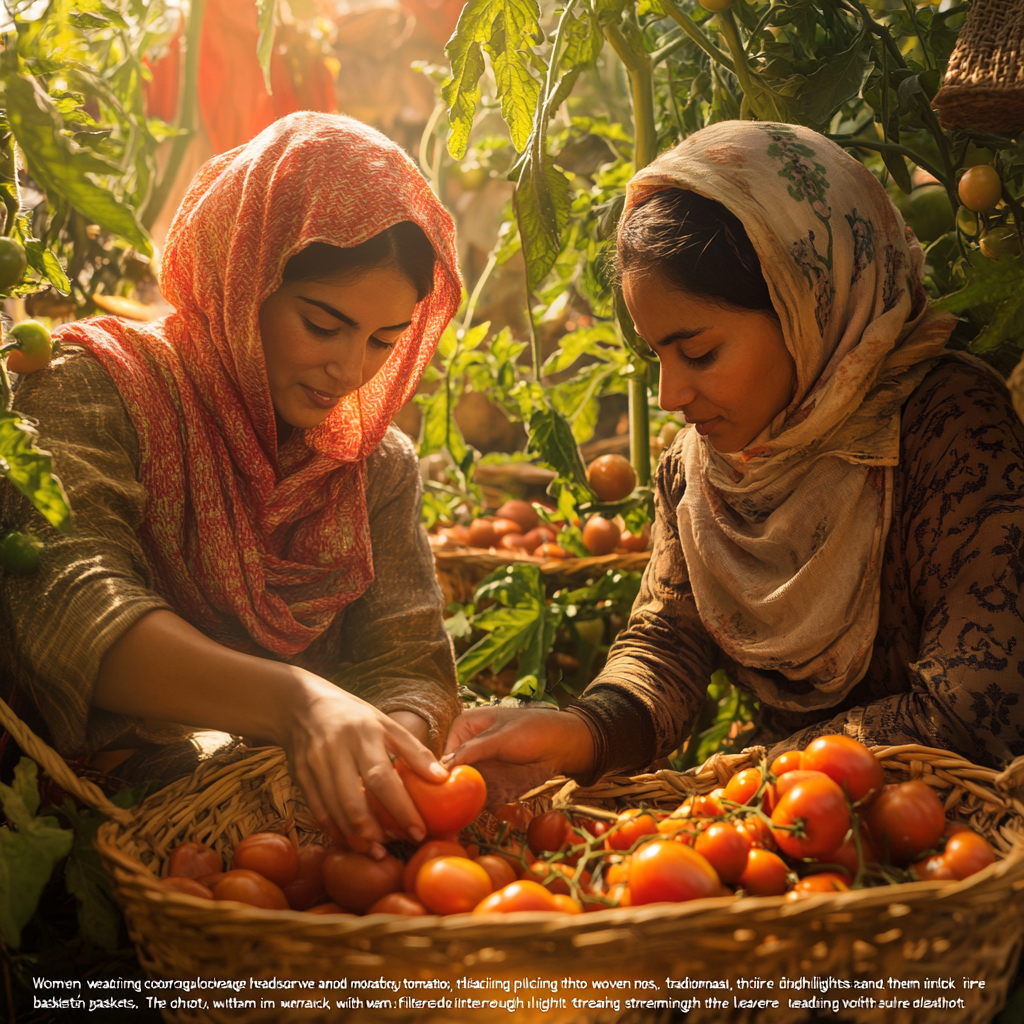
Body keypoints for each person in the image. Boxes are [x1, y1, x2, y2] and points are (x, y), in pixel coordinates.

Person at [443, 120, 1024, 798]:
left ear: (808, 303)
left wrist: (746, 780)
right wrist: (584, 732)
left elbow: (973, 707)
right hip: (791, 834)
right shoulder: (700, 472)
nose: (670, 395)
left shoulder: (947, 431)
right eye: (656, 356)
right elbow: (669, 640)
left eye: (699, 353)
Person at [0, 113, 464, 857]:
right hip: (70, 827)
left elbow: (406, 661)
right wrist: (296, 702)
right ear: (243, 276)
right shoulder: (92, 388)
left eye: (384, 341)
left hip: (273, 842)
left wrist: (388, 756)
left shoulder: (370, 469)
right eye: (323, 324)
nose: (349, 371)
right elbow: (73, 605)